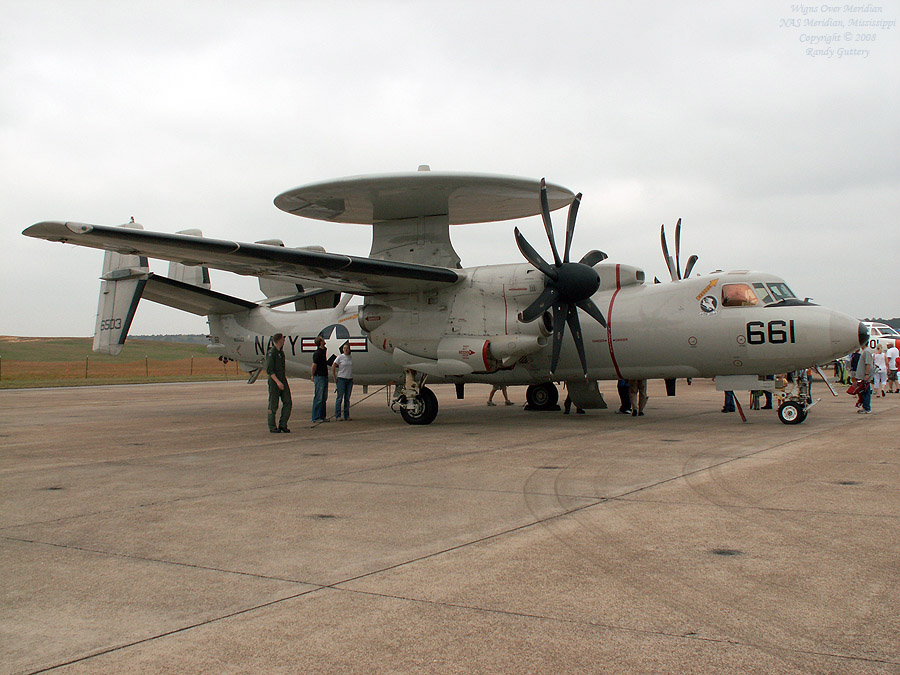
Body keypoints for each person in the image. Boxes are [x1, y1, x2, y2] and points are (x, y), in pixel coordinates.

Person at [266, 333, 292, 433]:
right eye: (283, 339)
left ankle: (283, 424)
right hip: (274, 381)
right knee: (273, 404)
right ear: (279, 340)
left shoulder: (281, 353)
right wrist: (277, 382)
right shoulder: (272, 353)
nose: (284, 341)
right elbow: (270, 370)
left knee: (288, 402)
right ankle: (272, 426)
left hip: (282, 379)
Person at [331, 342, 354, 420]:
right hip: (341, 379)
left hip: (349, 379)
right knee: (339, 398)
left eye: (347, 348)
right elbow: (333, 366)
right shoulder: (340, 357)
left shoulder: (350, 357)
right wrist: (335, 377)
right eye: (344, 348)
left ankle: (346, 415)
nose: (346, 349)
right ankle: (337, 415)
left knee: (347, 398)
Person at [310, 335, 329, 422]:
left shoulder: (324, 350)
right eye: (323, 340)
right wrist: (313, 375)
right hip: (319, 376)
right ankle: (316, 417)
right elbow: (314, 365)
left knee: (324, 398)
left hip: (324, 375)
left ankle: (322, 416)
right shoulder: (317, 353)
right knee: (319, 397)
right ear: (320, 342)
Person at [854, 345, 873, 414]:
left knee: (866, 391)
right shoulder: (863, 351)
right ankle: (865, 406)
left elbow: (868, 364)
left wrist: (866, 374)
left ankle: (867, 407)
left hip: (864, 376)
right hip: (861, 376)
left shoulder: (866, 352)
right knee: (862, 392)